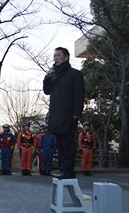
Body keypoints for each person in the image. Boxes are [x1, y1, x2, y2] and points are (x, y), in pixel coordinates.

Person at [43, 47, 85, 179]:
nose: (55, 58)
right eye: (54, 55)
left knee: (68, 144)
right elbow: (47, 91)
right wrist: (47, 77)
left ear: (66, 57)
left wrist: (77, 112)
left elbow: (80, 94)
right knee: (59, 145)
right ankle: (63, 170)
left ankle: (69, 171)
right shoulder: (54, 74)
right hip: (55, 115)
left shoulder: (75, 74)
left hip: (68, 114)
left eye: (58, 55)